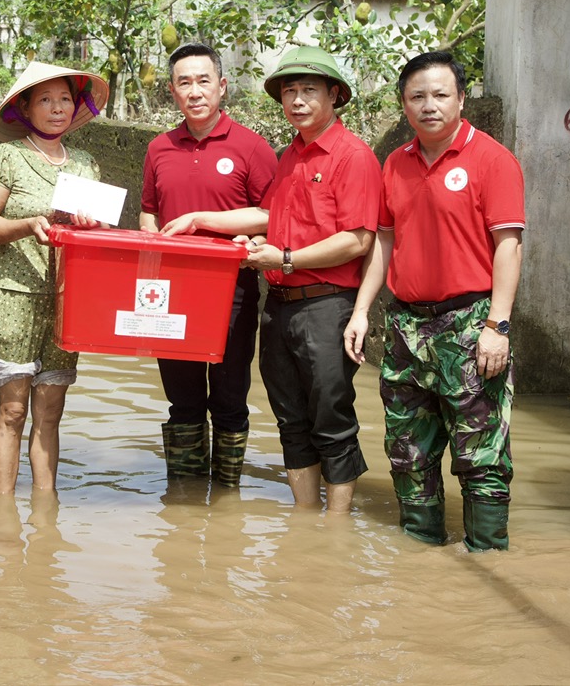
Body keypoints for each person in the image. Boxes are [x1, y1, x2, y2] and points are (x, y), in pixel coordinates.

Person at [162, 46, 380, 512]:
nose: (297, 101)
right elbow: (265, 214)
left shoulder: (353, 155)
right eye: (290, 92)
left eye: (309, 91)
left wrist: (284, 257)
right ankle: (306, 519)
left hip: (326, 302)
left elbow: (358, 240)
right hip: (280, 304)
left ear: (335, 95)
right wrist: (200, 219)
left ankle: (337, 528)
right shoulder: (290, 156)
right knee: (290, 419)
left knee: (332, 418)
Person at [343, 52, 523, 551]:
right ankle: (419, 562)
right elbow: (383, 241)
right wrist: (362, 311)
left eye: (441, 95)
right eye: (417, 96)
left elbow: (508, 246)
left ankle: (487, 561)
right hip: (405, 327)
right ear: (404, 105)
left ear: (461, 99)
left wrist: (498, 325)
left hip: (470, 324)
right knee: (408, 451)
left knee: (481, 454)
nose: (429, 106)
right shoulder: (395, 165)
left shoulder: (492, 160)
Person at [139, 43, 277, 485]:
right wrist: (150, 250)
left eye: (203, 81)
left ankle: (226, 496)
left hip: (231, 290)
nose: (195, 92)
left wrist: (205, 222)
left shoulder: (252, 148)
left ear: (222, 86)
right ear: (172, 91)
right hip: (168, 291)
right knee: (182, 400)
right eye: (184, 83)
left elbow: (271, 215)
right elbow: (148, 212)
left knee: (230, 398)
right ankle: (183, 496)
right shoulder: (159, 148)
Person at [0, 61, 107, 494]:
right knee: (12, 410)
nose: (56, 108)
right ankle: (4, 509)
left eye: (65, 99)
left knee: (51, 410)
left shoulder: (86, 164)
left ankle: (46, 506)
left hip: (69, 297)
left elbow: (100, 234)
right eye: (45, 99)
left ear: (76, 106)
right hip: (14, 294)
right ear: (25, 109)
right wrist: (29, 222)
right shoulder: (5, 158)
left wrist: (95, 229)